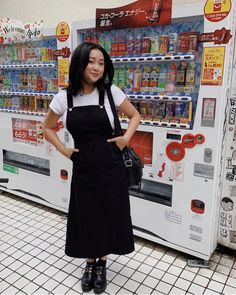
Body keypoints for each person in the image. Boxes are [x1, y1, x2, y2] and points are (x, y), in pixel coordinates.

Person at [43, 42, 141, 294]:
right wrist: (65, 151)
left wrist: (126, 138)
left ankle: (102, 264)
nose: (97, 67)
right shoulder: (63, 97)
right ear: (79, 63)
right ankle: (89, 263)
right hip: (84, 166)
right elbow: (46, 127)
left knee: (110, 213)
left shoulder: (111, 93)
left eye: (101, 63)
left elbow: (135, 116)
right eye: (91, 61)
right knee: (86, 215)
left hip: (111, 165)